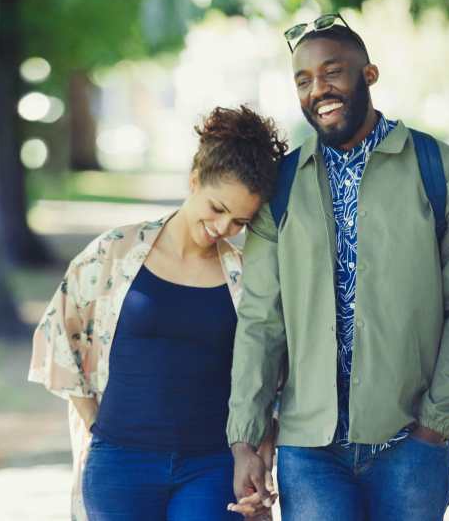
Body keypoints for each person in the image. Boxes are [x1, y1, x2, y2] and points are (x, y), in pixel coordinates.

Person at [226, 15, 449, 520]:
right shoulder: (280, 185)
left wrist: (433, 427)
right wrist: (246, 435)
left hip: (410, 440)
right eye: (303, 80)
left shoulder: (444, 170)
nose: (319, 89)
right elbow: (261, 319)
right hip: (310, 448)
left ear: (368, 74)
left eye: (333, 72)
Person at [29, 105, 285, 521]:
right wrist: (95, 426)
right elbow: (58, 336)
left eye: (240, 220)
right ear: (195, 180)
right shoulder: (114, 253)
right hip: (120, 464)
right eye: (217, 208)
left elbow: (270, 369)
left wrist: (259, 448)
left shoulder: (247, 277)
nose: (223, 227)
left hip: (212, 466)